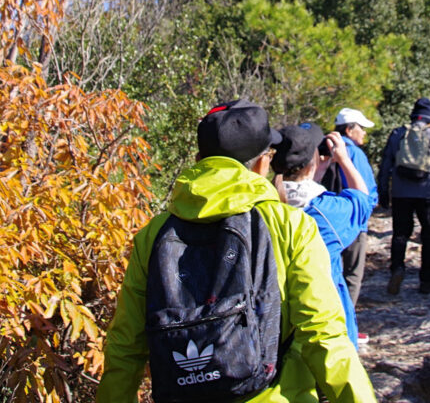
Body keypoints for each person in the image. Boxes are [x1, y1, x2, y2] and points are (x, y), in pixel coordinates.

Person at [97, 99, 376, 403]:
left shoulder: (153, 235)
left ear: (199, 158)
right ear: (262, 163)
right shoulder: (290, 226)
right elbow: (323, 335)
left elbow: (125, 346)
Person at [272, 123, 372, 350]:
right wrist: (344, 160)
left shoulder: (262, 206)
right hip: (323, 322)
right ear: (311, 164)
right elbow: (362, 202)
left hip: (276, 323)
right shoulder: (326, 212)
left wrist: (314, 172)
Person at [376, 97, 430, 296]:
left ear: (413, 115)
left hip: (400, 191)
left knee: (400, 234)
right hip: (427, 192)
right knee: (428, 235)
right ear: (429, 118)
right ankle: (426, 280)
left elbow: (386, 164)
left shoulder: (397, 134)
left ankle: (397, 270)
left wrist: (383, 192)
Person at [330, 109, 378, 312]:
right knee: (352, 276)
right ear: (349, 130)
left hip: (328, 219)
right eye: (361, 128)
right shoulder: (355, 153)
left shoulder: (325, 148)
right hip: (353, 222)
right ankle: (345, 324)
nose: (364, 133)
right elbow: (367, 193)